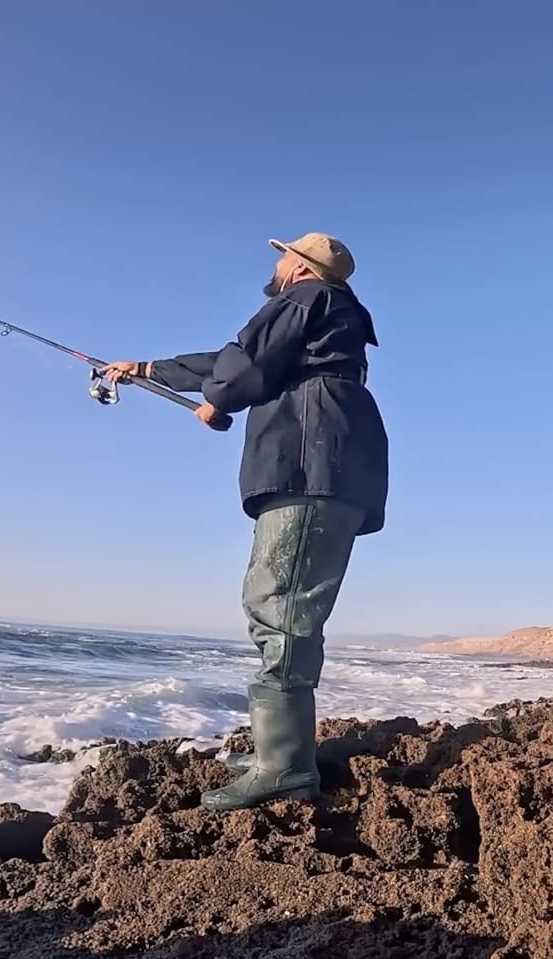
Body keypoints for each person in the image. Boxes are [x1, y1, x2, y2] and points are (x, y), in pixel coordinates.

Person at [99, 233, 388, 811]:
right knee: (281, 605)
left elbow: (241, 368)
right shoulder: (326, 320)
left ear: (301, 267)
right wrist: (150, 369)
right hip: (328, 466)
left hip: (309, 468)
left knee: (280, 606)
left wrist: (221, 400)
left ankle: (283, 768)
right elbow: (234, 362)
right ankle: (274, 752)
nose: (276, 264)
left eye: (283, 256)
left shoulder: (307, 298)